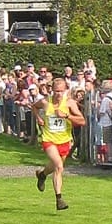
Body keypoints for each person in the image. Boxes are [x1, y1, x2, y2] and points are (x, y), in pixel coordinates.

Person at [35, 77, 84, 210]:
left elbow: (82, 121)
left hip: (64, 140)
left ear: (65, 90)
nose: (58, 94)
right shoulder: (46, 102)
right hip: (49, 139)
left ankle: (42, 174)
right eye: (56, 91)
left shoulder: (69, 103)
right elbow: (34, 107)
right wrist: (38, 117)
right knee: (59, 166)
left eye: (61, 91)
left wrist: (67, 116)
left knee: (55, 166)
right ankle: (59, 199)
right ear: (52, 90)